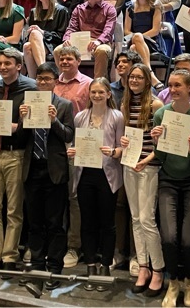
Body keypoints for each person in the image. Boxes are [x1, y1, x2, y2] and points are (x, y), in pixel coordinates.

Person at [151, 69, 190, 308]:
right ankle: (173, 283)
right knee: (168, 237)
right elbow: (161, 157)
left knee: (187, 240)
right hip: (168, 180)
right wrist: (158, 143)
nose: (173, 90)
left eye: (178, 86)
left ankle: (189, 281)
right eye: (171, 85)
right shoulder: (161, 115)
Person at [19, 62, 75, 290]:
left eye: (47, 79)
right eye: (39, 79)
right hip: (32, 169)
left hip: (55, 170)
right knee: (34, 222)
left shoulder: (64, 105)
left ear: (55, 81)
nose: (43, 82)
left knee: (55, 223)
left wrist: (55, 122)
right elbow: (21, 139)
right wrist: (22, 120)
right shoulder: (27, 103)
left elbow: (69, 135)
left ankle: (54, 269)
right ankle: (37, 268)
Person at [0, 47, 36, 273]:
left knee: (13, 210)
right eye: (0, 64)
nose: (2, 67)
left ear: (19, 66)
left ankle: (10, 255)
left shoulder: (31, 88)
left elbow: (36, 123)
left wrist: (18, 126)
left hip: (17, 154)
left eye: (7, 64)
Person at [67, 78, 125, 291]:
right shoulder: (81, 116)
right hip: (85, 175)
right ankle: (90, 265)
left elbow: (120, 148)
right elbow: (75, 145)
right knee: (87, 222)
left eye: (101, 92)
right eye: (94, 92)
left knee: (107, 223)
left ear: (109, 94)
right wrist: (72, 152)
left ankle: (105, 265)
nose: (97, 96)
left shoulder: (117, 116)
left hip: (107, 174)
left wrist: (112, 152)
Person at [119, 63, 165, 296]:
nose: (134, 81)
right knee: (135, 219)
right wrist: (123, 144)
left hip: (149, 166)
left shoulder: (156, 105)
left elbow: (163, 144)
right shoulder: (125, 103)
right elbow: (125, 137)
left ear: (148, 80)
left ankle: (158, 269)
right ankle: (143, 267)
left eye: (139, 77)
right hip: (129, 164)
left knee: (148, 219)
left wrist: (146, 160)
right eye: (131, 77)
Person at [53, 45, 93, 268]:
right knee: (56, 198)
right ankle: (56, 243)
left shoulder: (87, 84)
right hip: (53, 146)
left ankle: (73, 246)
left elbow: (89, 117)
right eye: (61, 59)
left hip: (77, 146)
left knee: (74, 198)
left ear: (79, 60)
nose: (65, 62)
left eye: (69, 58)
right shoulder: (52, 84)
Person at [60, 0, 117, 80]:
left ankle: (98, 84)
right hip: (80, 42)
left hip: (100, 42)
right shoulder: (79, 8)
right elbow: (71, 28)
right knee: (58, 50)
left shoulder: (109, 9)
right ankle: (65, 80)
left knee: (102, 50)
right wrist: (67, 39)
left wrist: (98, 41)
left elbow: (108, 31)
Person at [124, 0, 165, 88]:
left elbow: (155, 30)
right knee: (133, 47)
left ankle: (146, 76)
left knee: (134, 46)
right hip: (135, 41)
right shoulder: (130, 7)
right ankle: (148, 78)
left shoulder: (156, 5)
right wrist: (136, 38)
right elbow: (126, 30)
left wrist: (139, 38)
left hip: (153, 41)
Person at [23, 0, 69, 78]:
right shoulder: (33, 12)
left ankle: (42, 71)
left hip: (53, 43)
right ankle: (35, 79)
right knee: (27, 46)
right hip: (36, 43)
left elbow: (61, 36)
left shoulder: (61, 10)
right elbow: (28, 37)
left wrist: (42, 32)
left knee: (35, 34)